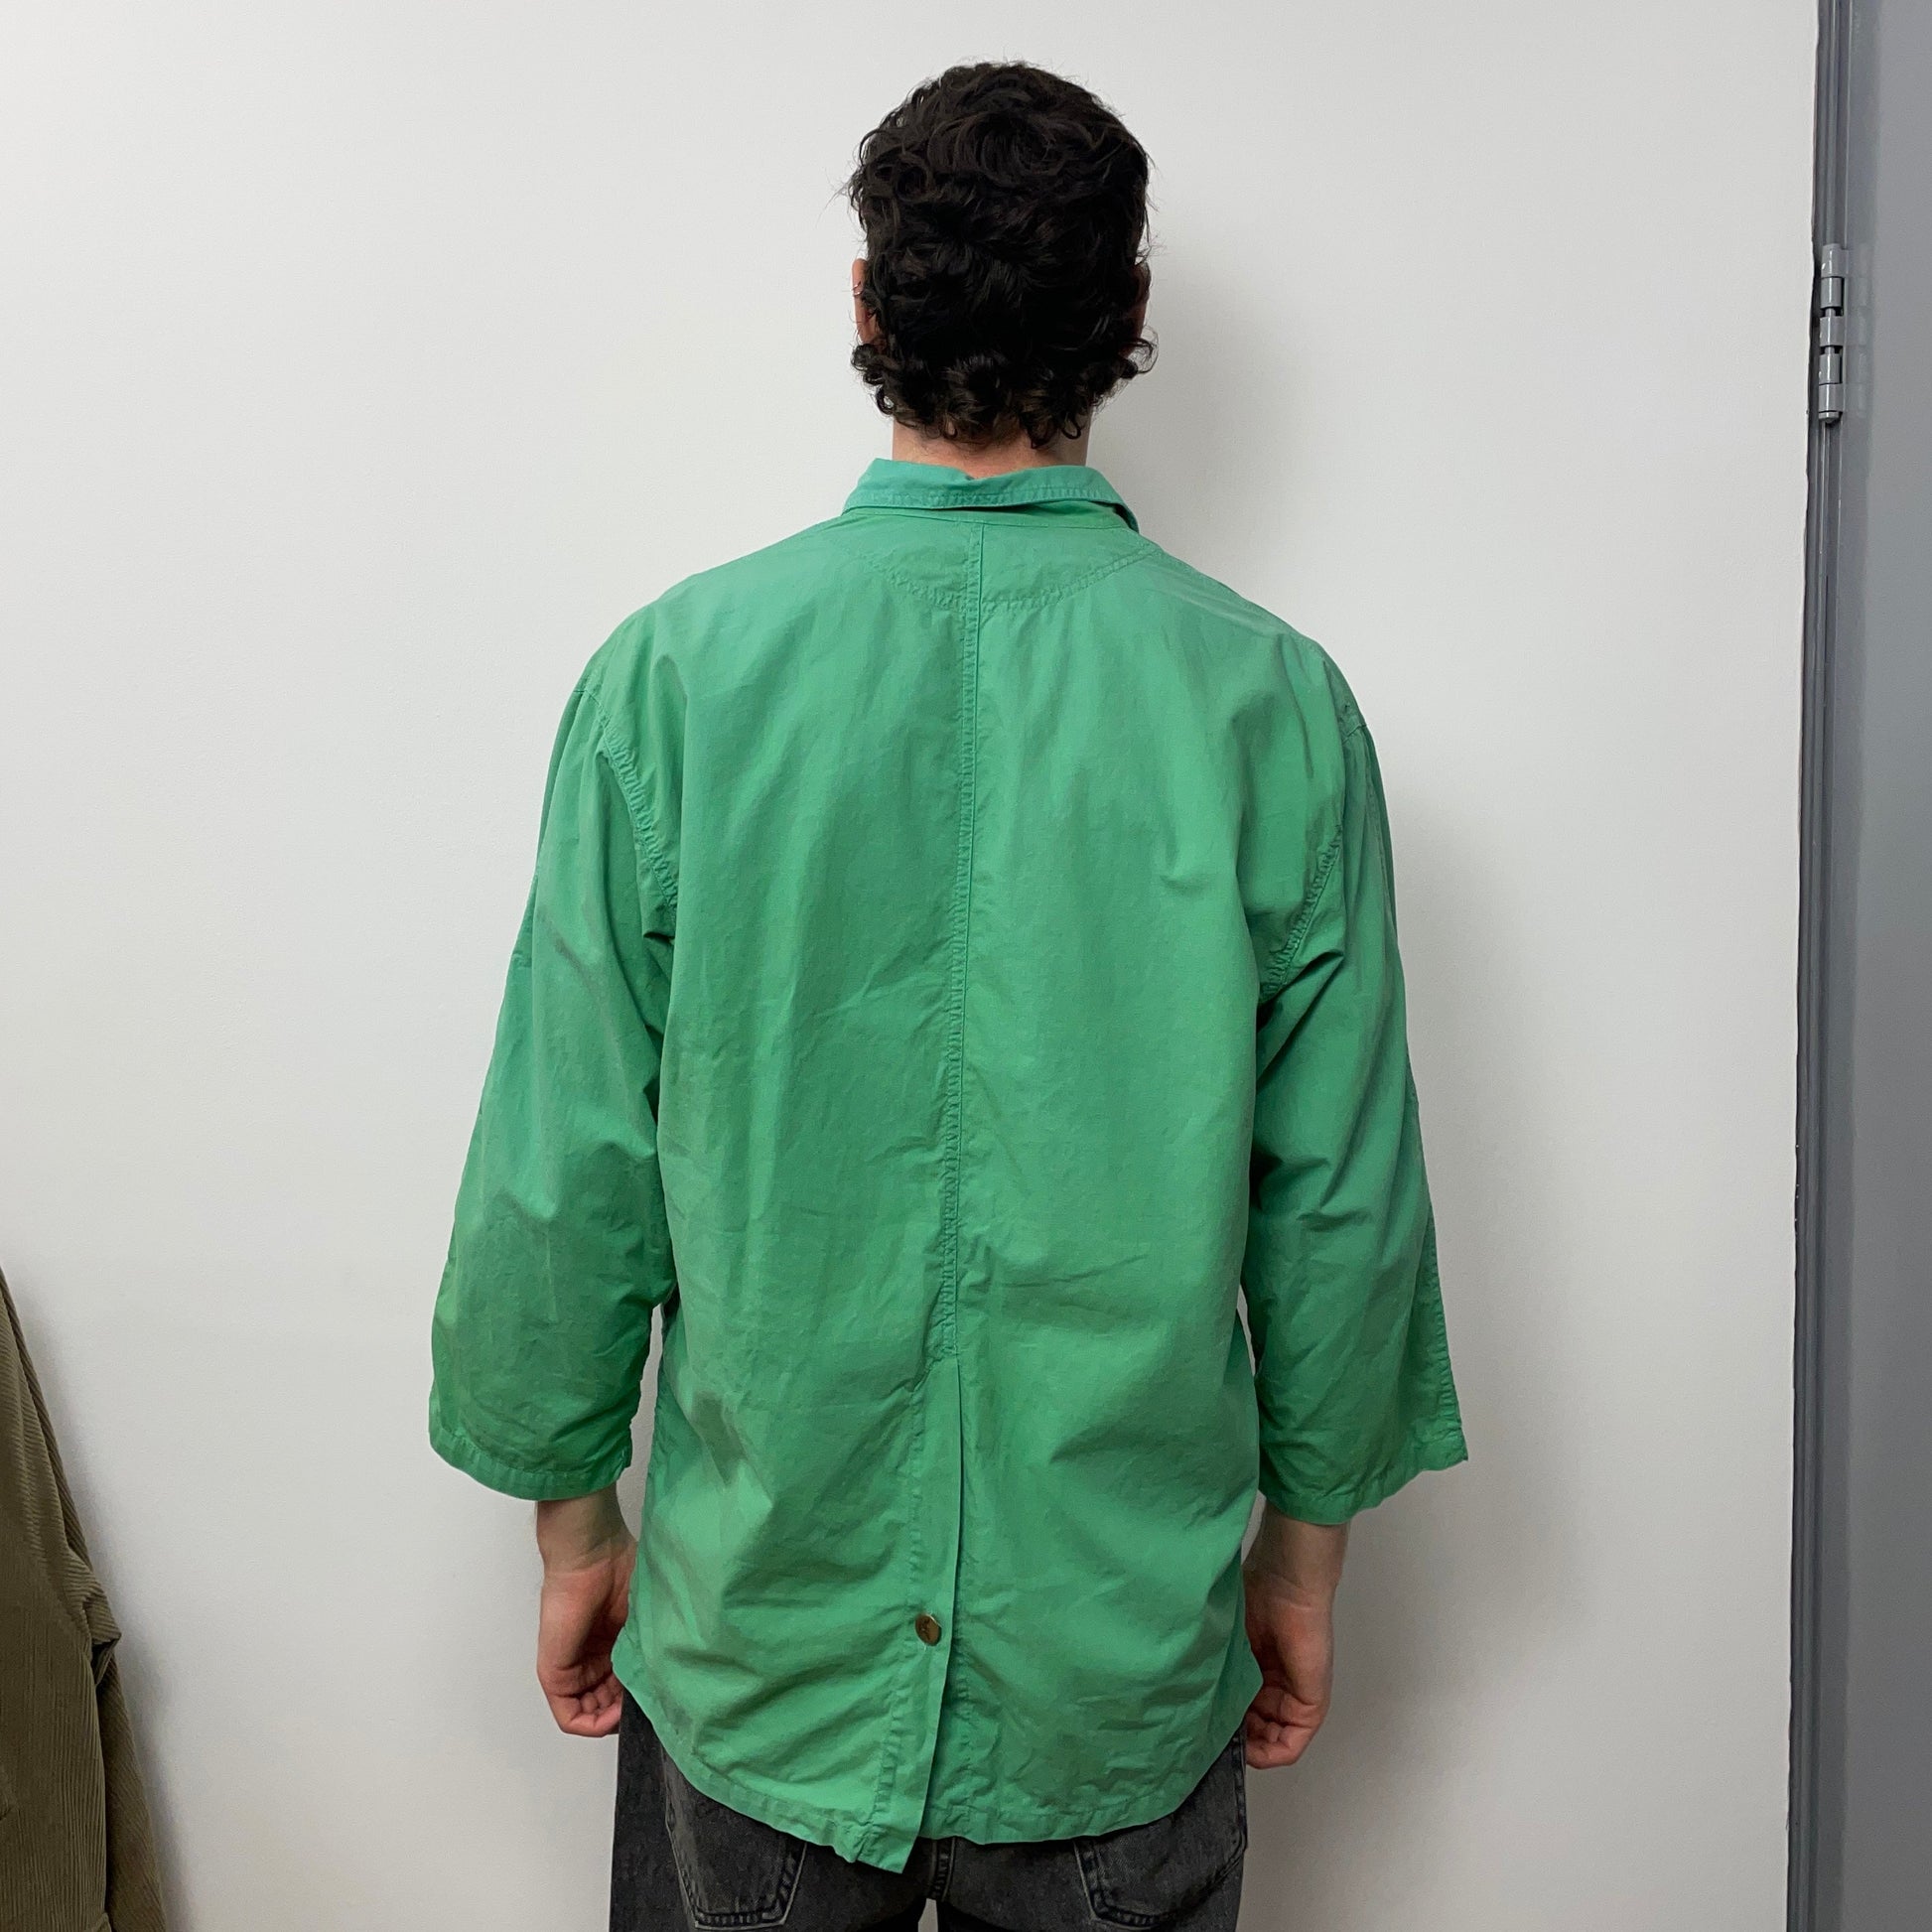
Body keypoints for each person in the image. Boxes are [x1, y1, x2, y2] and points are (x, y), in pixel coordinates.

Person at [428, 59, 1466, 1932]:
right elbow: (1341, 1206)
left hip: (761, 1651)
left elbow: (560, 1166)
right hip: (1113, 1675)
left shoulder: (674, 678)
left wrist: (576, 1527)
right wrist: (1300, 1563)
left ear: (866, 299)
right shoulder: (1273, 705)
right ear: (1124, 313)